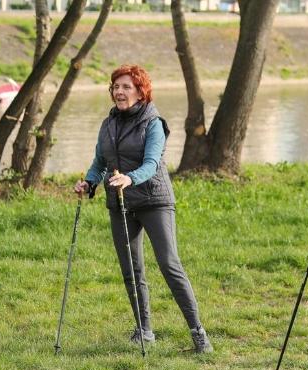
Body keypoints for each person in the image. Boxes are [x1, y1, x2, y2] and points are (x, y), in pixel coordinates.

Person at [74, 64, 212, 353]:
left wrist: (130, 177)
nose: (119, 92)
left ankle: (198, 333)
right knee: (131, 270)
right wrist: (89, 182)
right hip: (120, 204)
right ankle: (145, 331)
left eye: (126, 87)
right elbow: (100, 163)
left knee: (169, 265)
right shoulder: (108, 124)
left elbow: (151, 163)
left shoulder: (153, 123)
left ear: (140, 91)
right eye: (115, 87)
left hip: (154, 200)